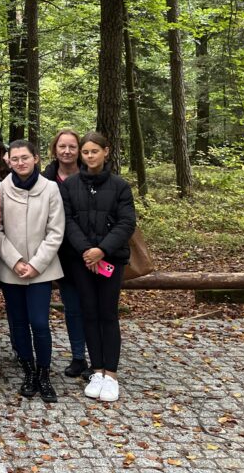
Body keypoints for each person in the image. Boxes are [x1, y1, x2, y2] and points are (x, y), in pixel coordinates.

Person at [59, 131, 137, 403]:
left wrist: (101, 250)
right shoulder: (70, 186)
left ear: (106, 152)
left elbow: (126, 223)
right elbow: (67, 221)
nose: (90, 156)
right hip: (81, 261)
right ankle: (98, 371)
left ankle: (112, 374)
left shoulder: (120, 186)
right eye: (86, 152)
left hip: (111, 260)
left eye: (94, 151)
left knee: (107, 314)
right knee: (88, 313)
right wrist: (86, 251)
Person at [0, 139, 65, 403]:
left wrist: (36, 263)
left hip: (41, 270)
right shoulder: (1, 189)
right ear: (8, 161)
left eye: (25, 157)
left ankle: (44, 373)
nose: (20, 163)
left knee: (39, 322)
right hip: (12, 268)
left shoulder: (51, 189)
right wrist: (14, 260)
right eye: (15, 159)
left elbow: (56, 231)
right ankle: (28, 370)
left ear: (36, 158)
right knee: (19, 323)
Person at [43, 128, 89, 379]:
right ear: (55, 149)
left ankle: (100, 357)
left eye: (72, 146)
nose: (67, 151)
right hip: (62, 255)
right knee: (72, 308)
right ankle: (78, 357)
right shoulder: (46, 179)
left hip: (93, 254)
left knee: (94, 307)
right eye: (62, 146)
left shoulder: (93, 175)